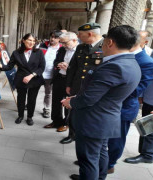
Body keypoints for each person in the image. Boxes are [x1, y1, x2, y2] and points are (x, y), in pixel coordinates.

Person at [62, 25, 141, 180]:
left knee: (88, 159)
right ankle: (100, 177)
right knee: (100, 152)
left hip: (93, 120)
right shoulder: (131, 62)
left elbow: (89, 98)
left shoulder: (113, 66)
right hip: (107, 118)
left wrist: (71, 102)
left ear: (109, 42)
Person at [107, 31, 153, 173]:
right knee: (104, 136)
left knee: (116, 138)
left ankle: (109, 165)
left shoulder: (147, 63)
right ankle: (98, 160)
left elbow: (135, 90)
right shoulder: (118, 55)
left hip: (124, 106)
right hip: (108, 106)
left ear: (143, 42)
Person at [58, 22, 104, 144]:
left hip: (92, 88)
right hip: (77, 85)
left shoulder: (105, 47)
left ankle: (83, 137)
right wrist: (69, 84)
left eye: (80, 34)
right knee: (71, 111)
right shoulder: (81, 47)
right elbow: (73, 67)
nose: (78, 37)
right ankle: (71, 134)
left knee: (88, 114)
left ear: (90, 34)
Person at [0, 33, 45, 126]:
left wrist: (31, 75)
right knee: (21, 99)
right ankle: (20, 116)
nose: (32, 42)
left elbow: (42, 67)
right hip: (21, 79)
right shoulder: (16, 53)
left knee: (32, 99)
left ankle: (29, 117)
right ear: (23, 40)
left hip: (35, 78)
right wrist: (0, 65)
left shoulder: (39, 52)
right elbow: (9, 66)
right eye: (29, 40)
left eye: (33, 41)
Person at [124, 48, 153, 164]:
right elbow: (148, 76)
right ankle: (147, 153)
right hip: (152, 97)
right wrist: (142, 94)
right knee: (149, 126)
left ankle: (152, 152)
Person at [44, 32, 79, 133]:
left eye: (65, 43)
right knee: (56, 101)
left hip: (71, 80)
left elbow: (81, 68)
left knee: (67, 102)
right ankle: (56, 121)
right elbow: (55, 61)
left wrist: (69, 67)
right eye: (62, 43)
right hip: (59, 77)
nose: (63, 45)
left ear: (74, 40)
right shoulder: (62, 49)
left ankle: (66, 123)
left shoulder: (80, 50)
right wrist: (59, 64)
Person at [39, 30, 62, 118]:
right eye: (51, 36)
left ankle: (46, 108)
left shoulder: (61, 49)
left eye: (55, 37)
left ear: (59, 39)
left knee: (48, 93)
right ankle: (29, 104)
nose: (52, 39)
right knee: (32, 91)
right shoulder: (42, 46)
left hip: (50, 75)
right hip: (39, 74)